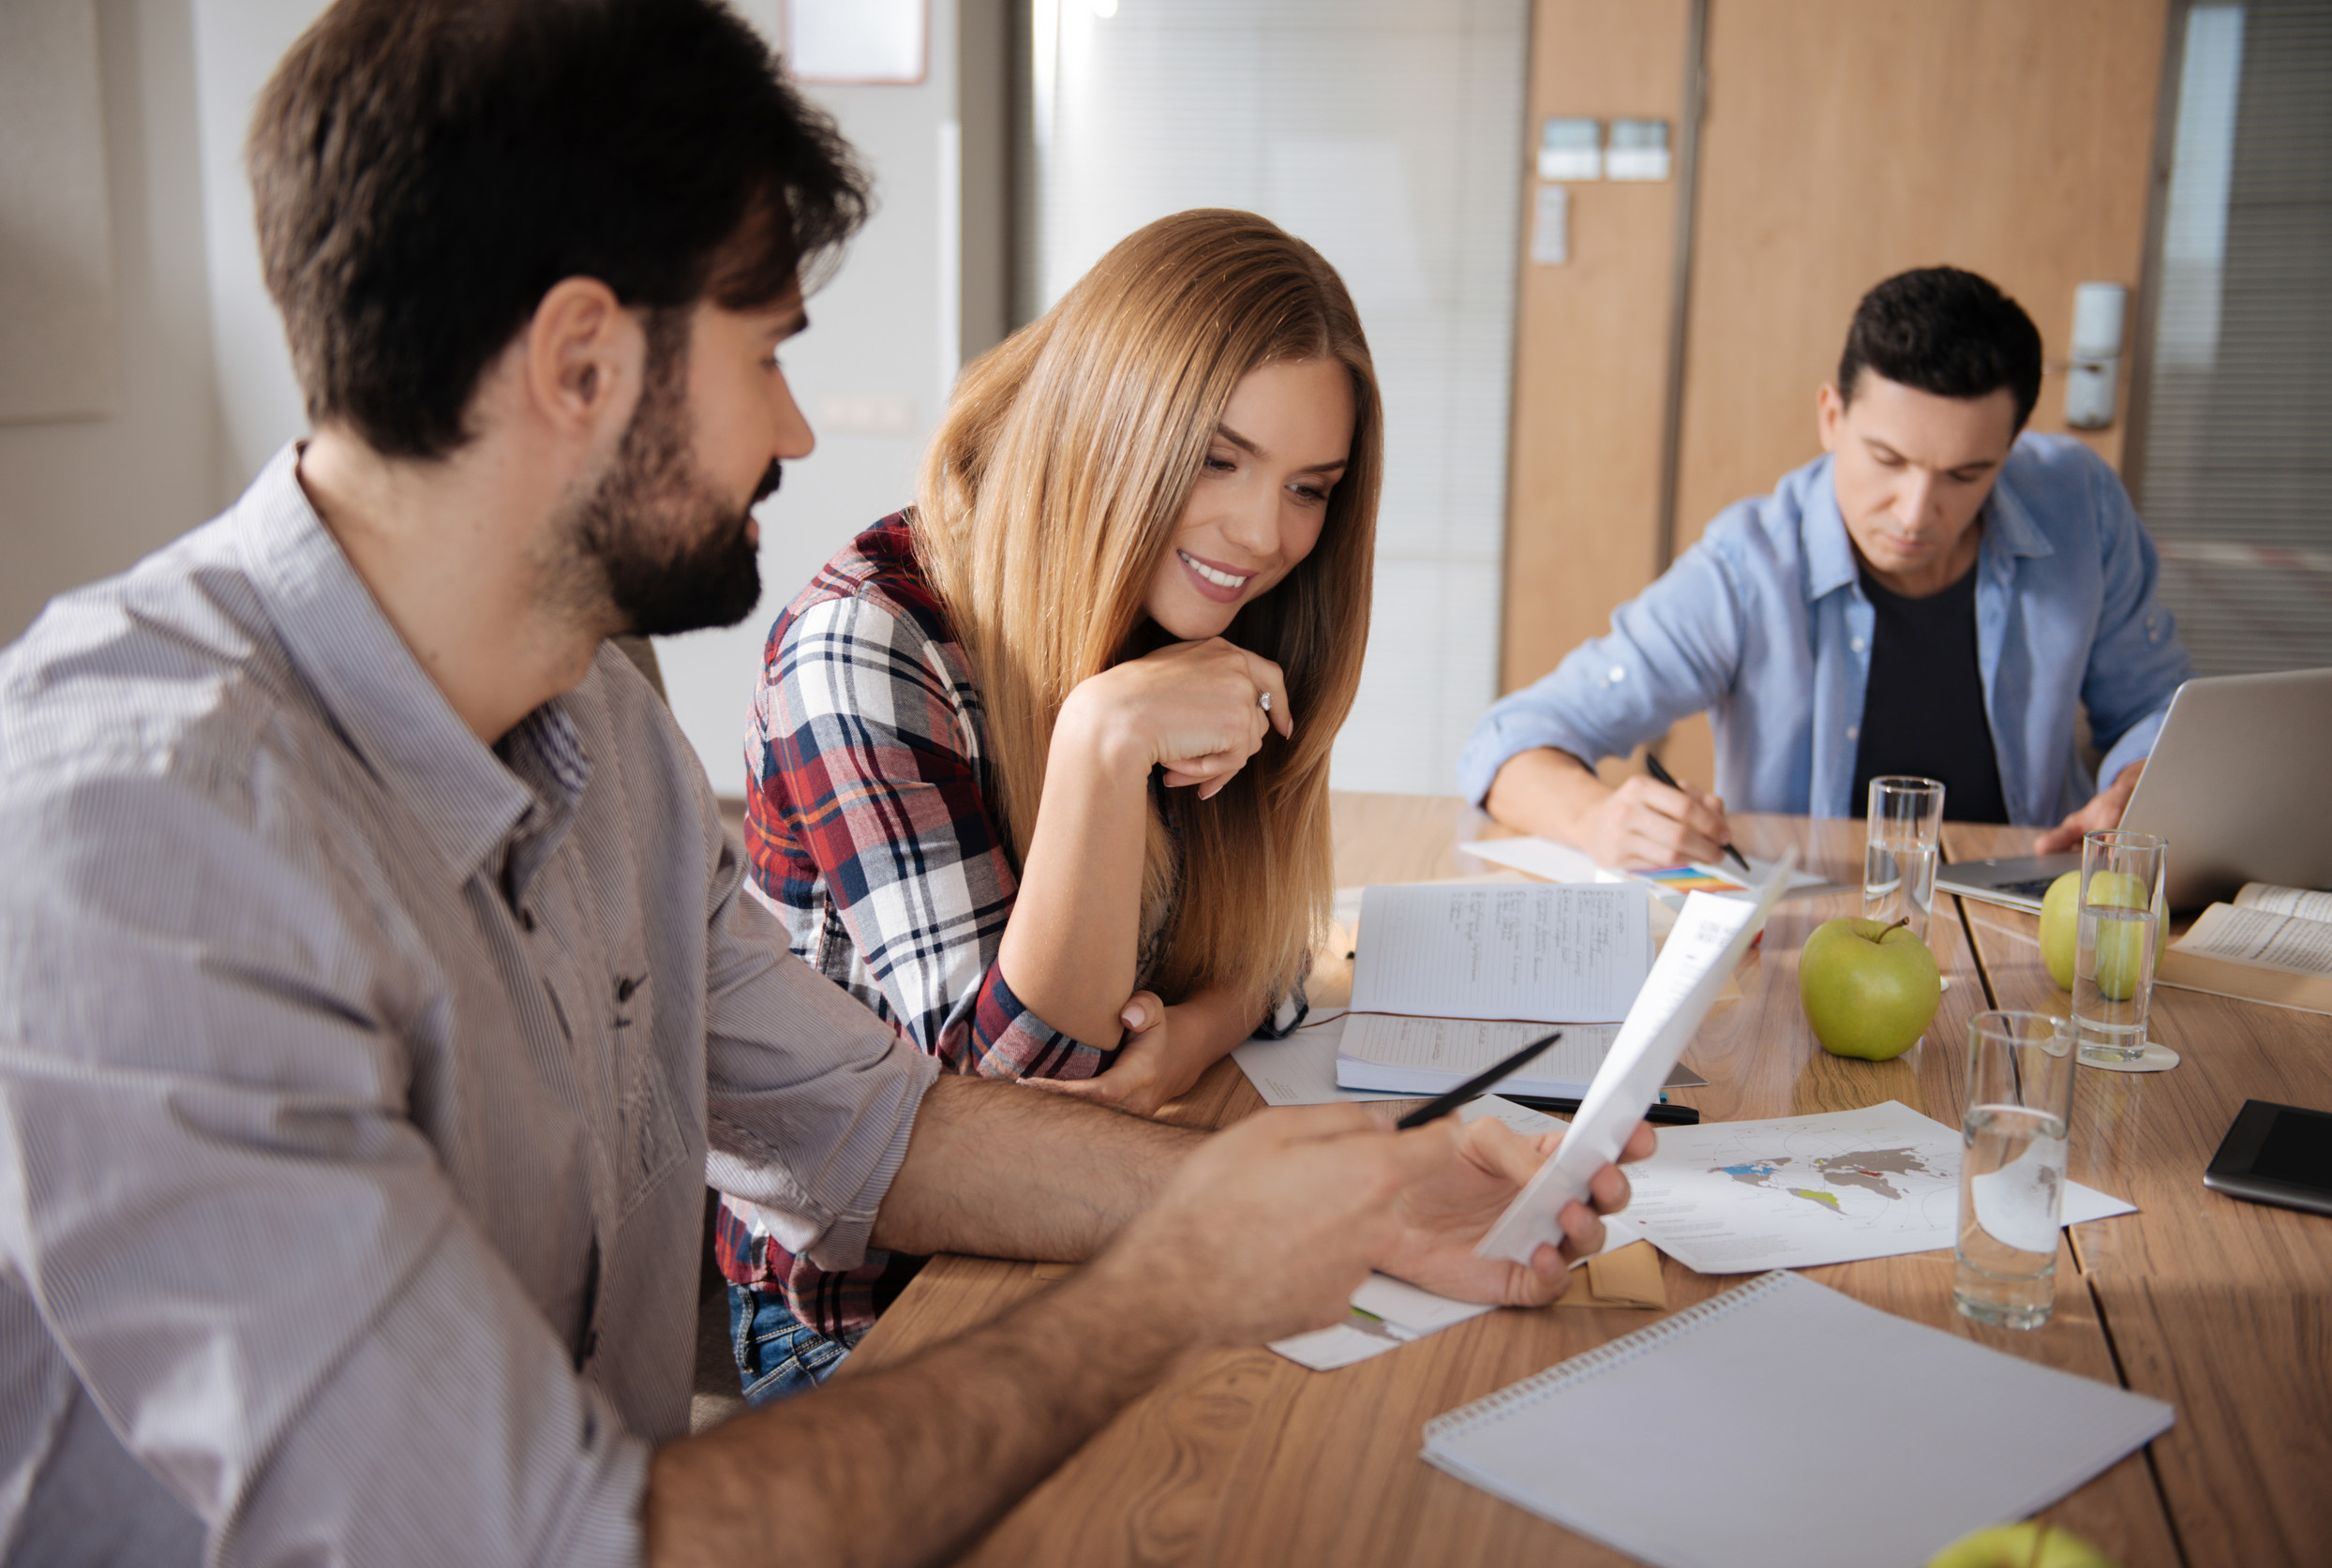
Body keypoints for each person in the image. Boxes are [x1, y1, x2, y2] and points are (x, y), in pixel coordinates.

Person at [0, 3, 1650, 1563]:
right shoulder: (138, 825)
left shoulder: (602, 729)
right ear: (582, 362)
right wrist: (1167, 1280)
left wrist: (1340, 1196)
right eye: (769, 352)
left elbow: (878, 1126)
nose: (795, 429)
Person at [719, 209, 1379, 1398]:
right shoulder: (867, 642)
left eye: (1308, 487)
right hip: (876, 1316)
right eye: (1217, 459)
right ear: (1109, 421)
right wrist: (1101, 743)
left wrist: (1190, 1028)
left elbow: (1277, 942)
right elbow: (1000, 1101)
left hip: (1104, 1217)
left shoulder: (1202, 612)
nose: (1263, 533)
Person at [1462, 267, 2193, 869]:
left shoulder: (2078, 502)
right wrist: (1597, 817)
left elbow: (2154, 708)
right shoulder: (1747, 566)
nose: (1915, 512)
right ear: (1830, 416)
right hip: (1804, 933)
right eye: (1887, 460)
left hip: (2033, 920)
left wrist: (2137, 783)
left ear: (2009, 448)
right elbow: (1509, 740)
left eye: (1965, 474)